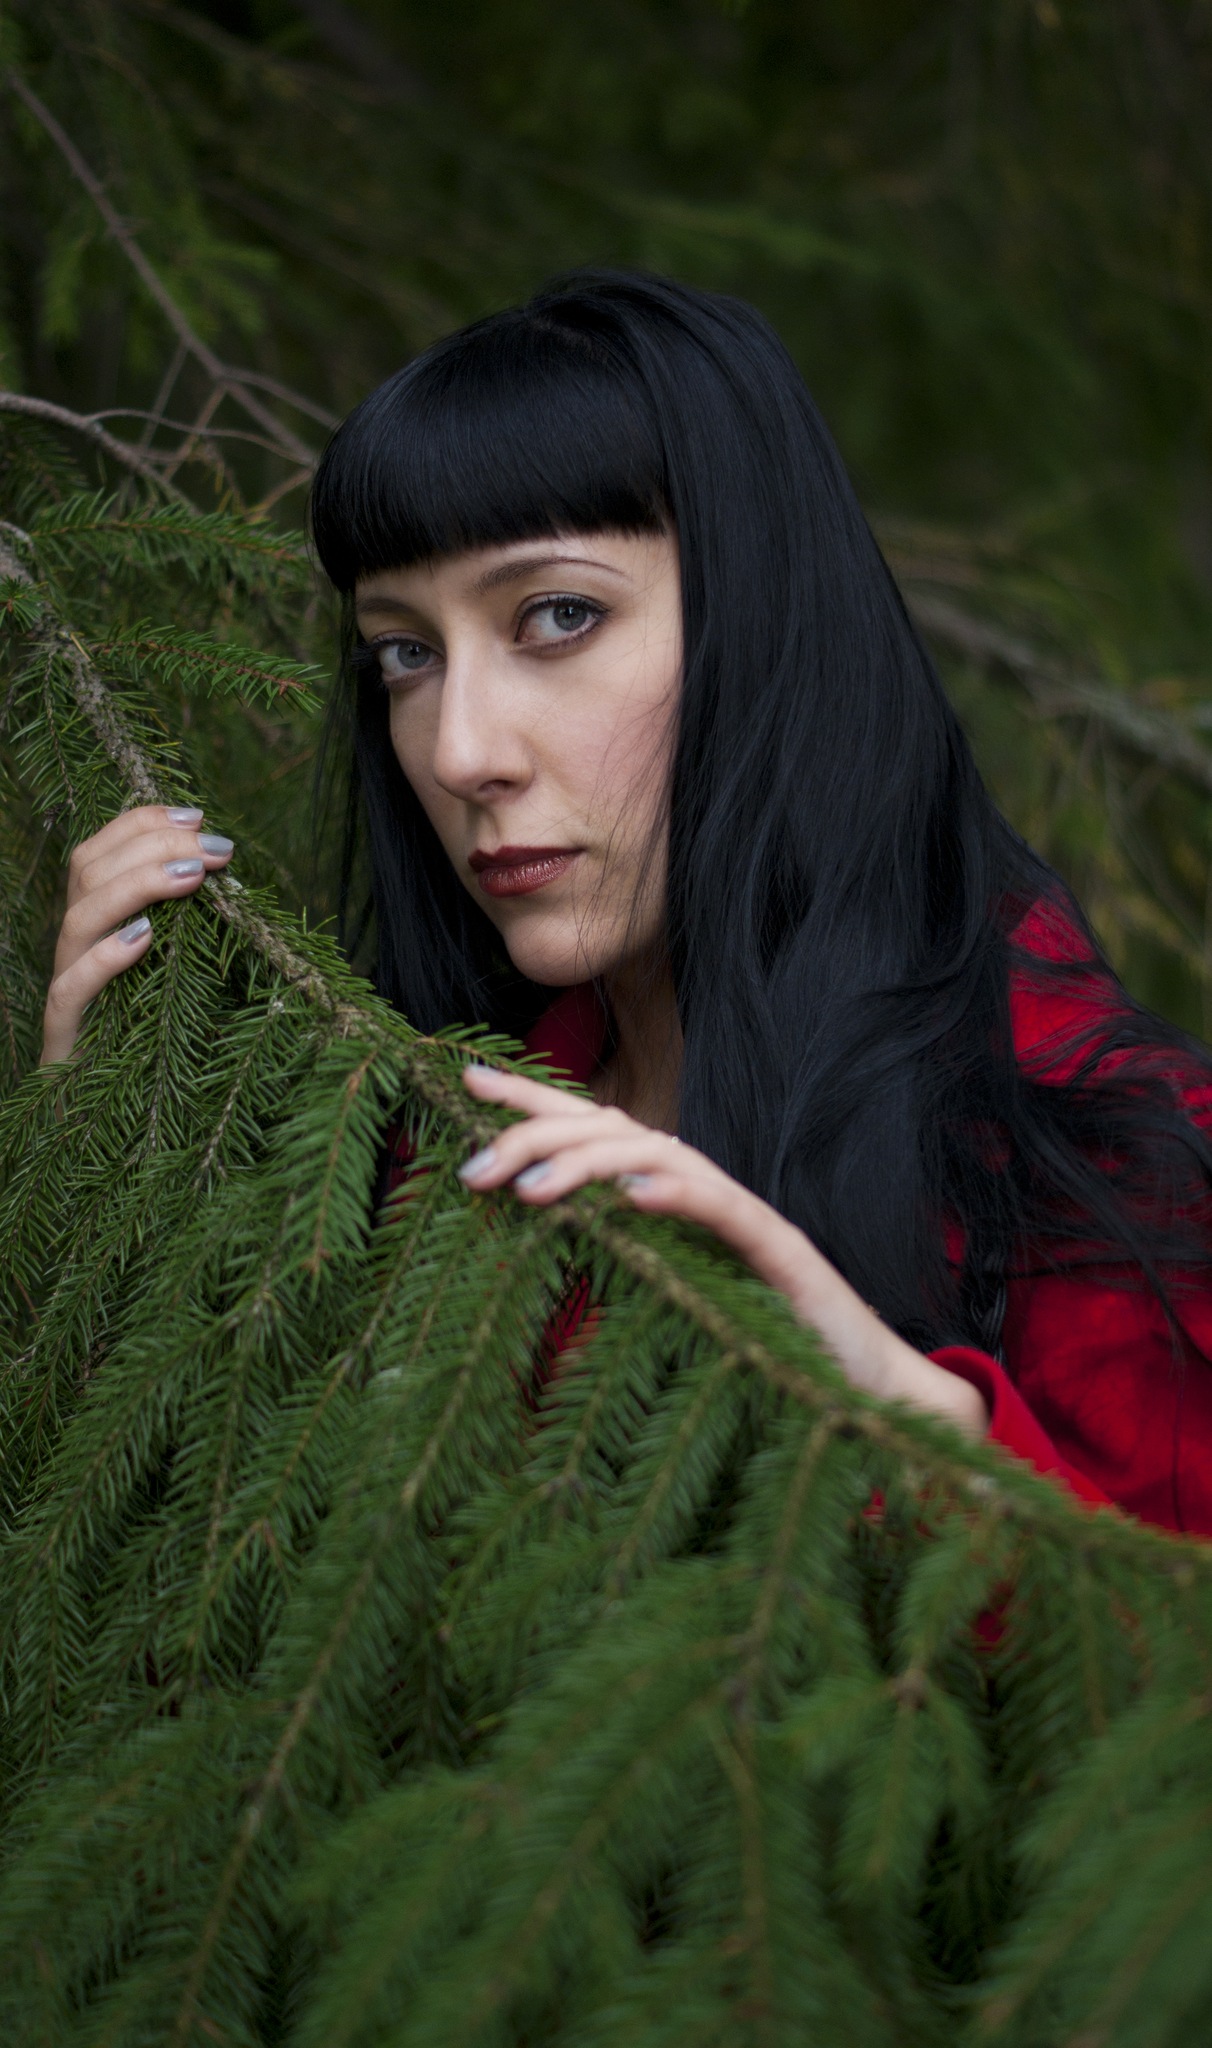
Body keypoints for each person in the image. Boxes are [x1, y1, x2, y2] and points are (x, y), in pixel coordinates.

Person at [43, 272, 1212, 1535]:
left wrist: (902, 1420)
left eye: (558, 615)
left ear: (761, 619)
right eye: (406, 652)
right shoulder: (416, 1134)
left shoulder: (1095, 1145)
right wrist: (99, 1178)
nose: (459, 752)